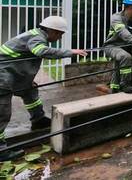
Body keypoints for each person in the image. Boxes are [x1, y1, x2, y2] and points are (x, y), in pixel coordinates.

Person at [0, 16, 87, 161]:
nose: (59, 37)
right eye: (60, 34)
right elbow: (41, 52)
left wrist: (27, 80)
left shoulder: (36, 34)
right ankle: (1, 151)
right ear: (52, 30)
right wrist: (69, 52)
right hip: (3, 76)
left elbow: (23, 60)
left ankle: (38, 119)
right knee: (2, 112)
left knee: (30, 91)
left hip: (11, 74)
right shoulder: (38, 39)